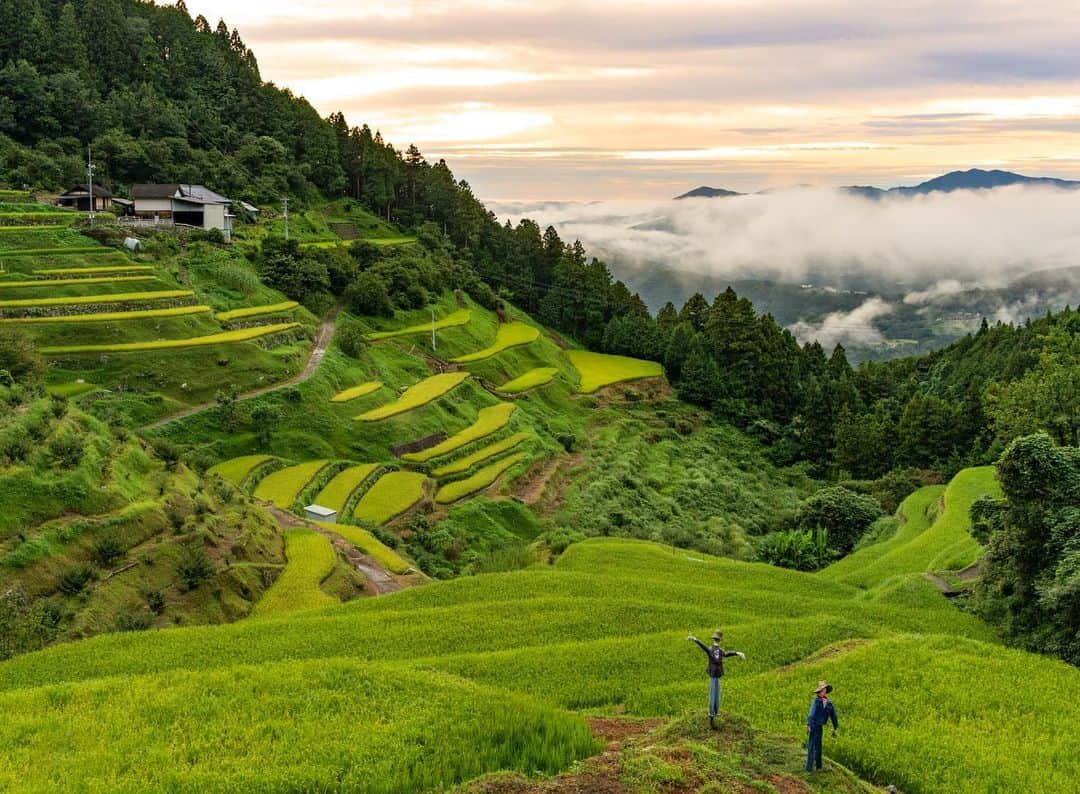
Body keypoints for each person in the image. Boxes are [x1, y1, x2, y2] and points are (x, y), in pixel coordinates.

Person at [687, 630, 745, 728]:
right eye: (716, 639)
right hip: (713, 675)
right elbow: (703, 647)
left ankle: (715, 713)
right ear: (716, 639)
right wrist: (695, 640)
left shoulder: (721, 651)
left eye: (717, 639)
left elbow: (726, 654)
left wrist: (737, 653)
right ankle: (711, 716)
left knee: (717, 695)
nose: (717, 641)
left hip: (718, 675)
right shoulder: (710, 649)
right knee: (712, 695)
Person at [805, 680, 838, 773]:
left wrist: (835, 727)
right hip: (814, 725)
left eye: (824, 690)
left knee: (818, 746)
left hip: (819, 727)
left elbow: (833, 716)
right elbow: (811, 714)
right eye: (822, 690)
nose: (823, 691)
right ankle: (809, 769)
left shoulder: (829, 703)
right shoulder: (816, 701)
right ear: (819, 692)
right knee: (811, 746)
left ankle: (819, 766)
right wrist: (808, 725)